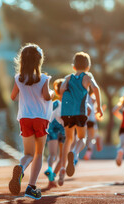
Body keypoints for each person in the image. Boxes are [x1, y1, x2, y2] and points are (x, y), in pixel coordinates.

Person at [8, 43, 52, 200]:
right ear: (38, 62)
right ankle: (31, 186)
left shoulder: (18, 79)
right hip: (40, 118)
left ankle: (21, 167)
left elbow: (12, 97)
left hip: (25, 118)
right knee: (39, 153)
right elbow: (47, 97)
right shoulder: (44, 79)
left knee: (28, 153)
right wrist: (52, 93)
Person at [56, 52, 103, 185]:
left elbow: (62, 90)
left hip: (67, 112)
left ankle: (62, 170)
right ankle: (75, 153)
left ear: (74, 66)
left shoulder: (68, 77)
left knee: (68, 139)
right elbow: (96, 88)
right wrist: (98, 107)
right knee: (82, 137)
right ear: (88, 66)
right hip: (80, 112)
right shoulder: (87, 77)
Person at [44, 79, 65, 189]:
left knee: (52, 154)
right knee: (62, 157)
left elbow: (47, 115)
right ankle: (53, 176)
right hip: (63, 130)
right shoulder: (68, 105)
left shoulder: (54, 103)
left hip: (51, 129)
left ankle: (50, 171)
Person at [83, 89, 102, 160]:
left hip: (83, 119)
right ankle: (88, 152)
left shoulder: (83, 96)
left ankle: (76, 152)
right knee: (91, 138)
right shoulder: (93, 98)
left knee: (83, 137)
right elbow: (95, 110)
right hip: (91, 120)